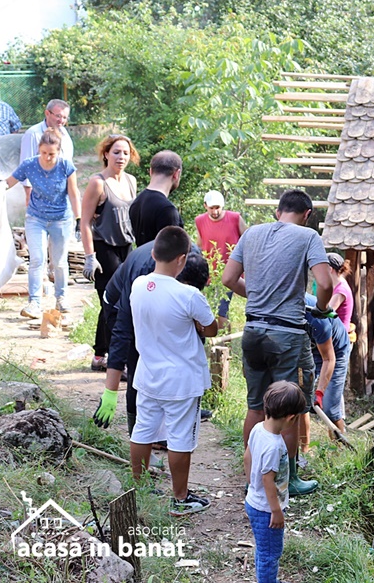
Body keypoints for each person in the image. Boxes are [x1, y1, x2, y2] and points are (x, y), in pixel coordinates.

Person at [221, 189, 334, 497]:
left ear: (277, 211)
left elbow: (229, 279)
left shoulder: (252, 233)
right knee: (292, 408)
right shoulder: (308, 237)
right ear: (307, 214)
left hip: (253, 332)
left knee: (256, 406)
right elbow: (325, 283)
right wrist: (322, 309)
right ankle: (288, 480)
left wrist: (257, 295)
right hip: (287, 336)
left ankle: (252, 477)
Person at [127, 226, 218, 516]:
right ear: (182, 259)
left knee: (143, 430)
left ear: (154, 253)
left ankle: (139, 489)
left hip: (147, 374)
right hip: (181, 380)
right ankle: (180, 498)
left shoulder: (139, 285)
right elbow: (211, 327)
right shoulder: (188, 295)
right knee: (180, 437)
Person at [92, 241, 209, 436]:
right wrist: (110, 391)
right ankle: (139, 434)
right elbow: (122, 332)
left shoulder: (193, 261)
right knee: (138, 362)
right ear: (178, 270)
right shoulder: (143, 278)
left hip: (159, 296)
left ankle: (171, 415)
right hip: (117, 302)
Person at [0, 130, 80, 318]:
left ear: (59, 152)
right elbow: (9, 182)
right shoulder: (30, 164)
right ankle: (34, 302)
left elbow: (73, 193)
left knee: (58, 262)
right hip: (36, 219)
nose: (47, 158)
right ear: (39, 150)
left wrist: (79, 219)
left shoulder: (66, 166)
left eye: (52, 154)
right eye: (44, 153)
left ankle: (61, 297)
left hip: (61, 219)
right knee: (37, 260)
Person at [80, 135, 140, 371]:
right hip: (104, 249)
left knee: (112, 304)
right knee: (116, 304)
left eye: (125, 153)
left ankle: (99, 355)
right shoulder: (98, 183)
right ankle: (120, 361)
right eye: (116, 152)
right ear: (106, 154)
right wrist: (89, 257)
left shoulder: (131, 181)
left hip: (127, 248)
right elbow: (84, 221)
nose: (121, 157)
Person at [245, 380, 304, 583]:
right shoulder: (274, 445)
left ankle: (267, 579)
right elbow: (268, 480)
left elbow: (247, 457)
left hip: (254, 500)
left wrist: (251, 485)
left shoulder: (257, 428)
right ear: (291, 418)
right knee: (271, 554)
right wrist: (276, 511)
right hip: (266, 510)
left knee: (264, 549)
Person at [194, 190, 247, 327]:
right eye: (211, 208)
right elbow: (200, 245)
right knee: (208, 309)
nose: (215, 211)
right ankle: (215, 342)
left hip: (230, 271)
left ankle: (225, 344)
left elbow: (248, 240)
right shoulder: (200, 221)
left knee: (222, 311)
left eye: (217, 207)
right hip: (210, 272)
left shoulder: (234, 218)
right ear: (205, 206)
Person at [308, 293, 352, 434]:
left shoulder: (316, 319)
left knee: (329, 410)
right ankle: (303, 449)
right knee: (300, 401)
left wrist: (319, 393)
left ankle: (340, 450)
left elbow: (329, 359)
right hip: (312, 349)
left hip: (336, 354)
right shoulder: (282, 307)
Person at [19, 100, 73, 208]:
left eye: (65, 117)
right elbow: (26, 167)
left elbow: (69, 166)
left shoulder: (65, 135)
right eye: (58, 116)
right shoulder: (33, 134)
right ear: (47, 113)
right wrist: (29, 197)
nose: (61, 121)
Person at [129, 150, 183, 247]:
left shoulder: (137, 202)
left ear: (150, 171)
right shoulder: (167, 210)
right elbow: (172, 253)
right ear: (176, 174)